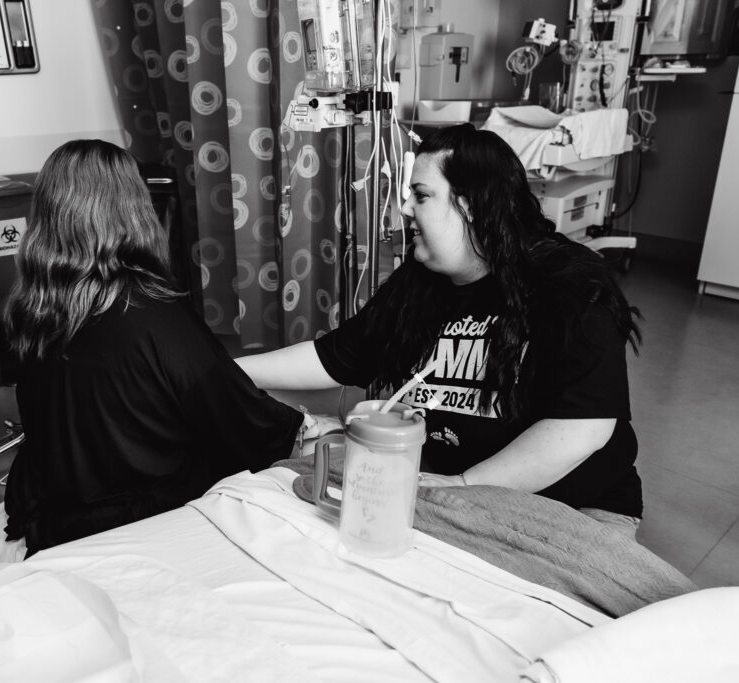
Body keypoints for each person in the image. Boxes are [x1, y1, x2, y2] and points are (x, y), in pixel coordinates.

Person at [236, 125, 644, 536]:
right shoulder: (420, 280)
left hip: (569, 507)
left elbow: (582, 428)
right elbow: (335, 357)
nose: (406, 208)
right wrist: (227, 371)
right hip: (449, 492)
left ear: (471, 204)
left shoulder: (570, 285)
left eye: (422, 194)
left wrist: (464, 486)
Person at [2, 139, 311, 554]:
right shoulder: (152, 313)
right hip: (131, 514)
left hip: (57, 503)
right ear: (133, 207)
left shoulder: (30, 309)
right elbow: (236, 415)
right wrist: (304, 426)